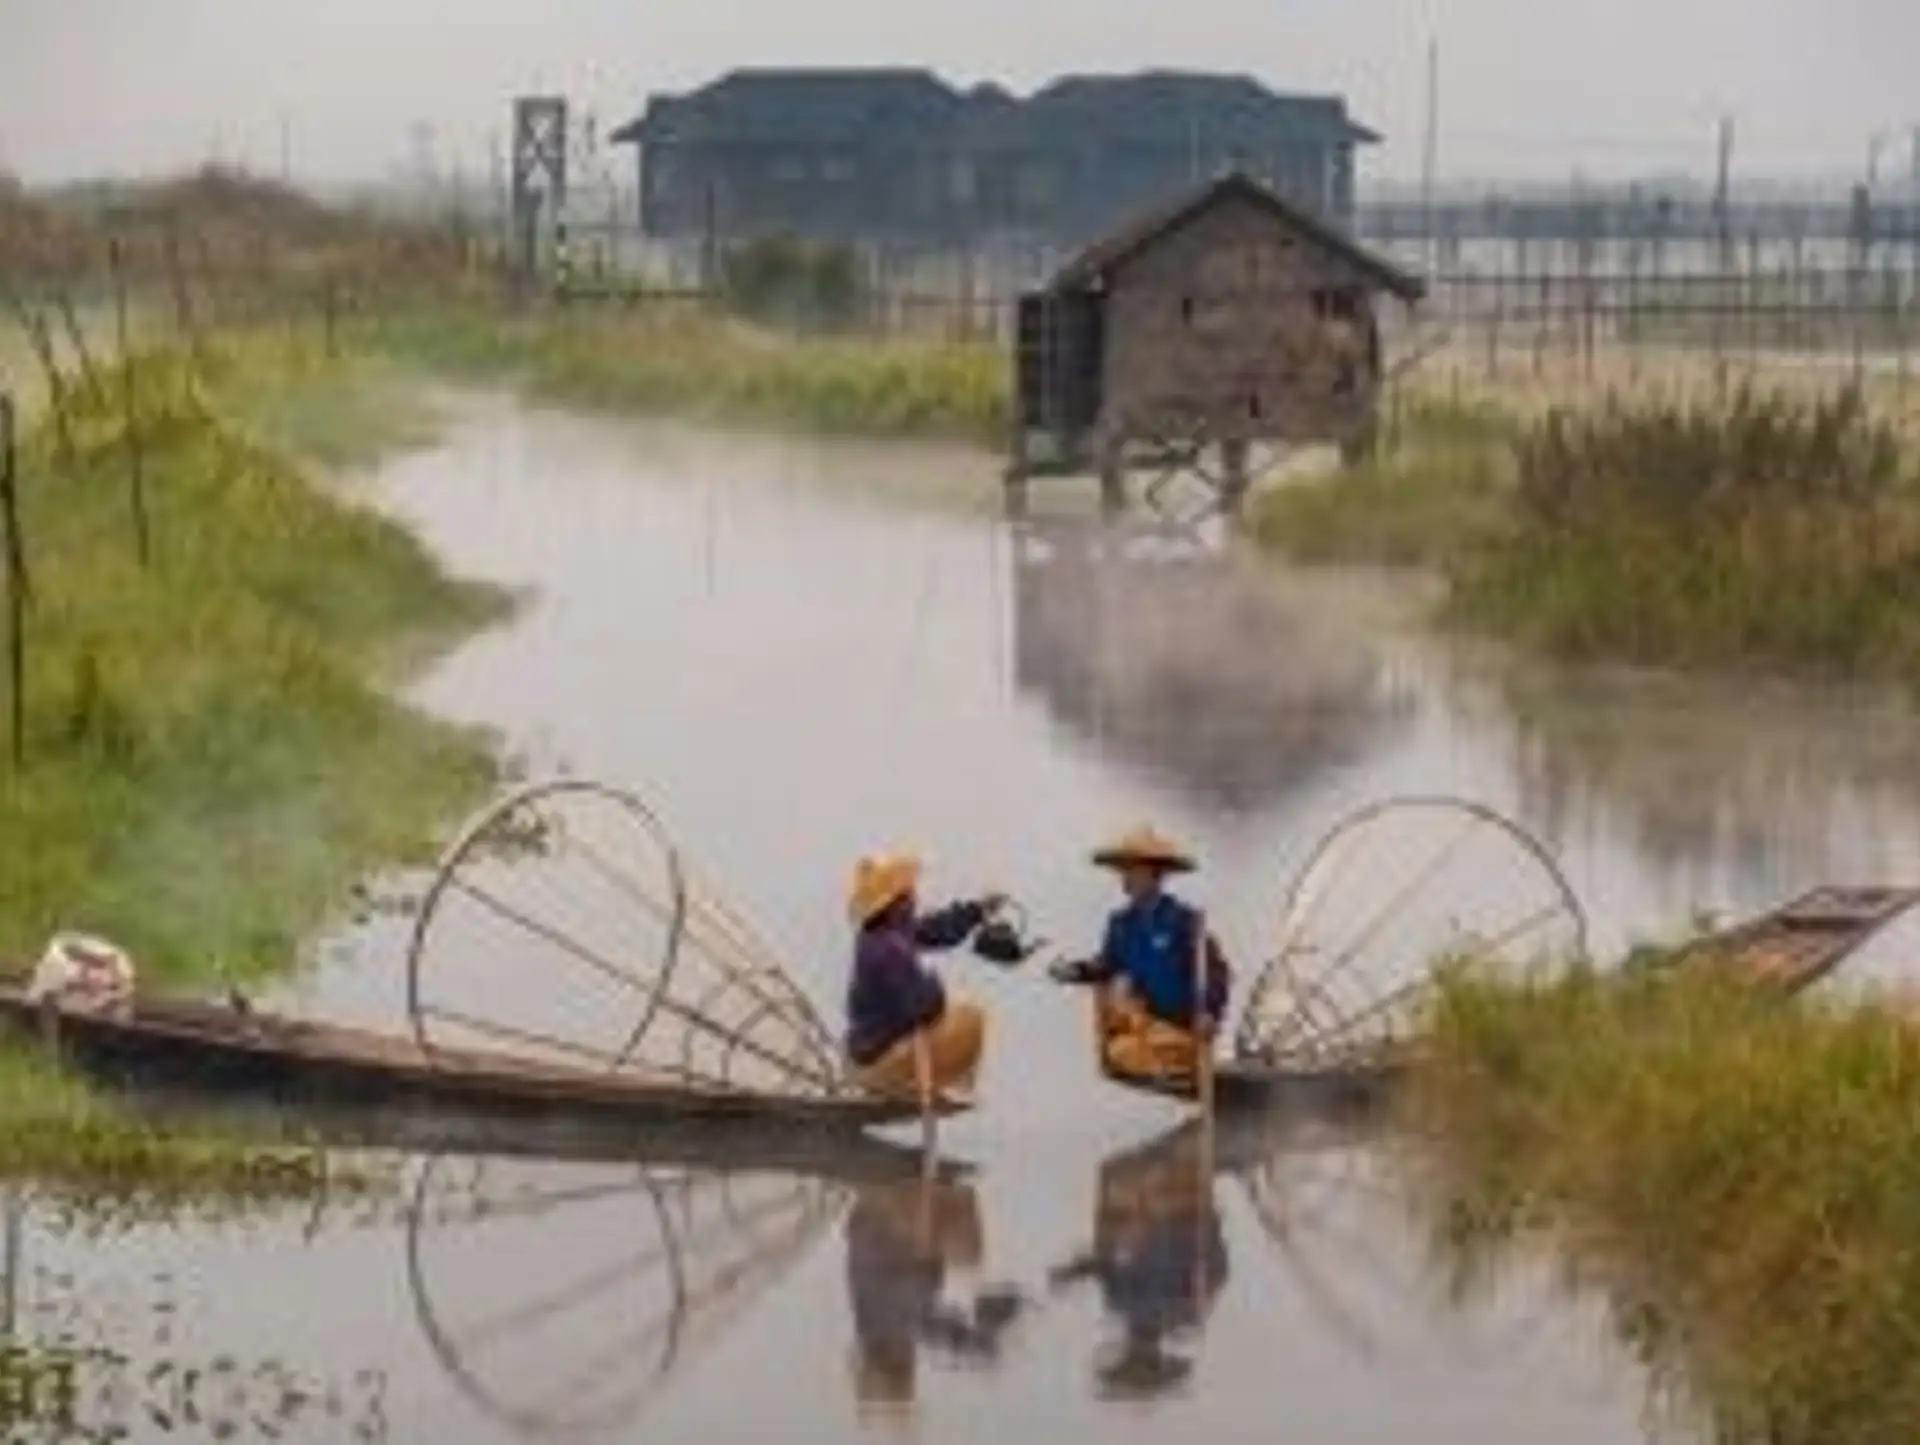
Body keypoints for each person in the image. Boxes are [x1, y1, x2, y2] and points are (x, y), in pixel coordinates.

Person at [1047, 1122, 1228, 1404]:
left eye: (1134, 1358)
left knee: (1120, 1176)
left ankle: (1165, 1142)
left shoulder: (1124, 1305)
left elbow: (1107, 1262)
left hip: (1153, 1212)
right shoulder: (1180, 1310)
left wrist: (1079, 1270)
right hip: (1171, 1214)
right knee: (1130, 1177)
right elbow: (1215, 1264)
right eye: (1141, 1359)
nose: (1134, 1350)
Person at [1052, 825, 1230, 1085]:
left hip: (1183, 1027)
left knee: (1128, 1050)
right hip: (1145, 1023)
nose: (1126, 877)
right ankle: (1157, 1061)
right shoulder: (1121, 923)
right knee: (1118, 1035)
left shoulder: (1183, 920)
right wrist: (1077, 971)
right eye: (1124, 870)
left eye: (1133, 870)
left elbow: (1216, 972)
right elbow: (1108, 964)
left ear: (1155, 874)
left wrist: (1211, 1013)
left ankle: (1181, 1061)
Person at [844, 851, 1002, 1101]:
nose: (915, 898)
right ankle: (911, 1084)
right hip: (877, 1058)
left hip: (871, 1044)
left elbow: (938, 929)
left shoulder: (885, 932)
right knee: (970, 1018)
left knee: (957, 1014)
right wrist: (933, 983)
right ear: (895, 903)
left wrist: (978, 911)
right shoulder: (887, 950)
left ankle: (928, 1081)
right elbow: (921, 1008)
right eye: (908, 894)